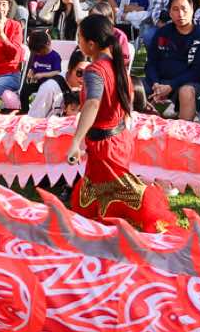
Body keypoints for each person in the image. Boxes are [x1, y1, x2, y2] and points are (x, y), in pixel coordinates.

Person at [62, 13, 177, 230]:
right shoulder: (118, 65)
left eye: (79, 38)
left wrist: (76, 141)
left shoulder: (95, 70)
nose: (78, 42)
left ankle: (155, 221)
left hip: (106, 146)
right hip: (118, 140)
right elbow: (126, 100)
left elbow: (92, 104)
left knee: (125, 192)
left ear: (91, 44)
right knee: (100, 193)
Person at [146, 0, 200, 121]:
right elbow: (151, 62)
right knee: (131, 86)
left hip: (187, 83)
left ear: (192, 10)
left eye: (184, 9)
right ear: (170, 13)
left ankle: (185, 129)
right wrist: (155, 84)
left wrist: (171, 86)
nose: (180, 14)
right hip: (159, 82)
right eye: (175, 9)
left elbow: (198, 72)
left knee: (186, 92)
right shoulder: (163, 33)